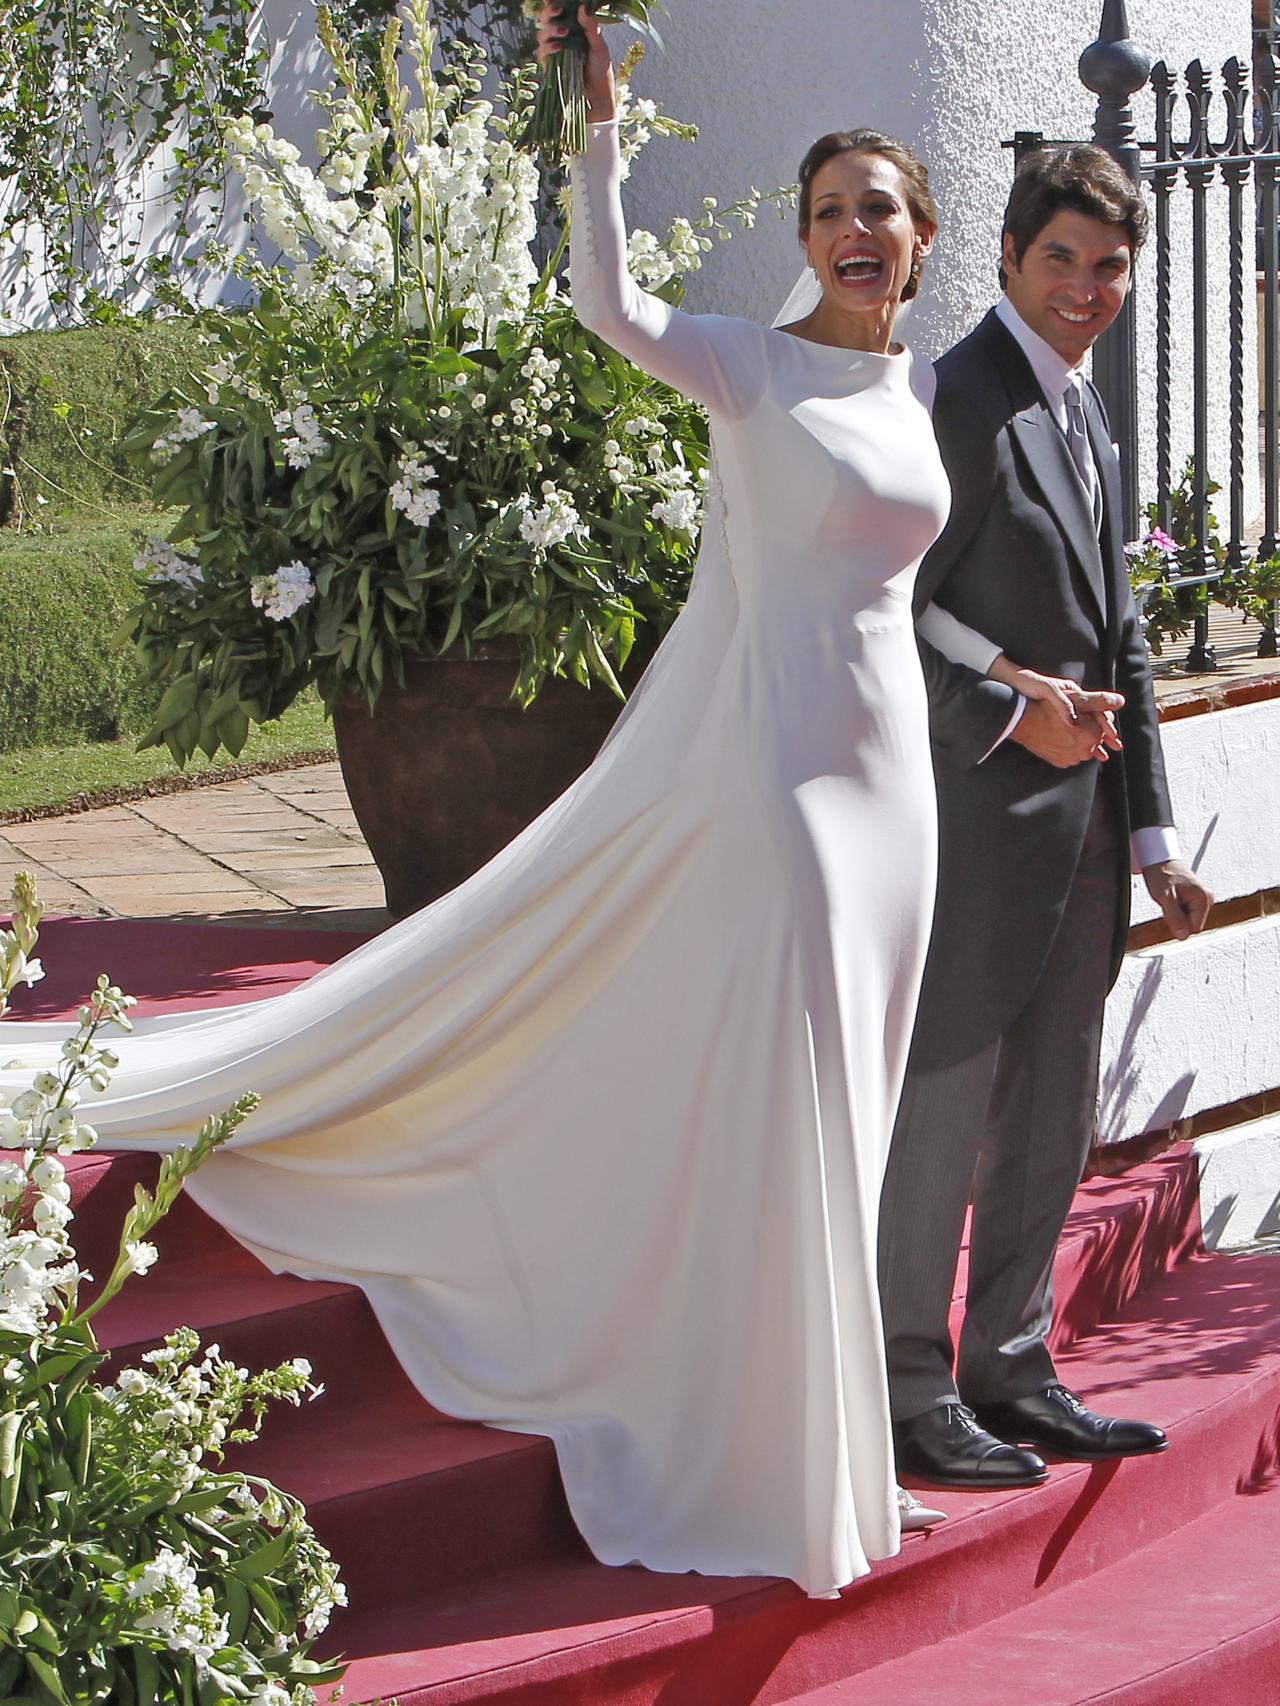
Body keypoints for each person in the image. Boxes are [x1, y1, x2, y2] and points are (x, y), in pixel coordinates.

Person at [0, 21, 1107, 1595]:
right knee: (792, 1099)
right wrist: (602, 137)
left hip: (897, 807)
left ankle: (839, 1443)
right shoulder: (748, 363)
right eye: (831, 212)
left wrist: (1010, 674)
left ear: (925, 243)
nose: (858, 233)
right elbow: (609, 306)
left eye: (882, 211)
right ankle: (770, 1460)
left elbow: (899, 591)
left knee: (852, 1113)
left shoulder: (921, 393)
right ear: (806, 240)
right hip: (782, 786)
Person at [878, 142, 1215, 1491]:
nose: (1086, 287)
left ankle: (1009, 1365)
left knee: (1054, 1111)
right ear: (1011, 256)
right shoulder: (955, 399)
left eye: (1110, 265)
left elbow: (1120, 636)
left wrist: (1154, 836)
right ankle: (909, 1383)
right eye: (1062, 259)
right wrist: (1014, 716)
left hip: (1083, 846)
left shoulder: (1084, 409)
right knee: (946, 1113)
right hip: (970, 830)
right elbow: (886, 616)